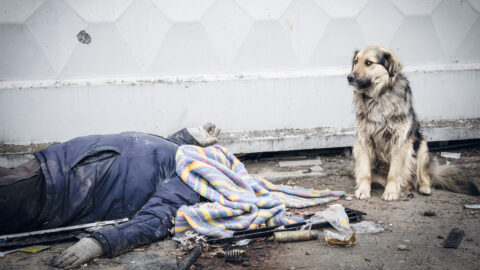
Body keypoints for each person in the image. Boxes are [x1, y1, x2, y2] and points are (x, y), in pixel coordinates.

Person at [0, 124, 220, 269]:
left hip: (59, 178)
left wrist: (100, 243)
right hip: (60, 183)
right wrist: (188, 138)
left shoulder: (188, 177)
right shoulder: (182, 158)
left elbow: (158, 216)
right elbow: (156, 216)